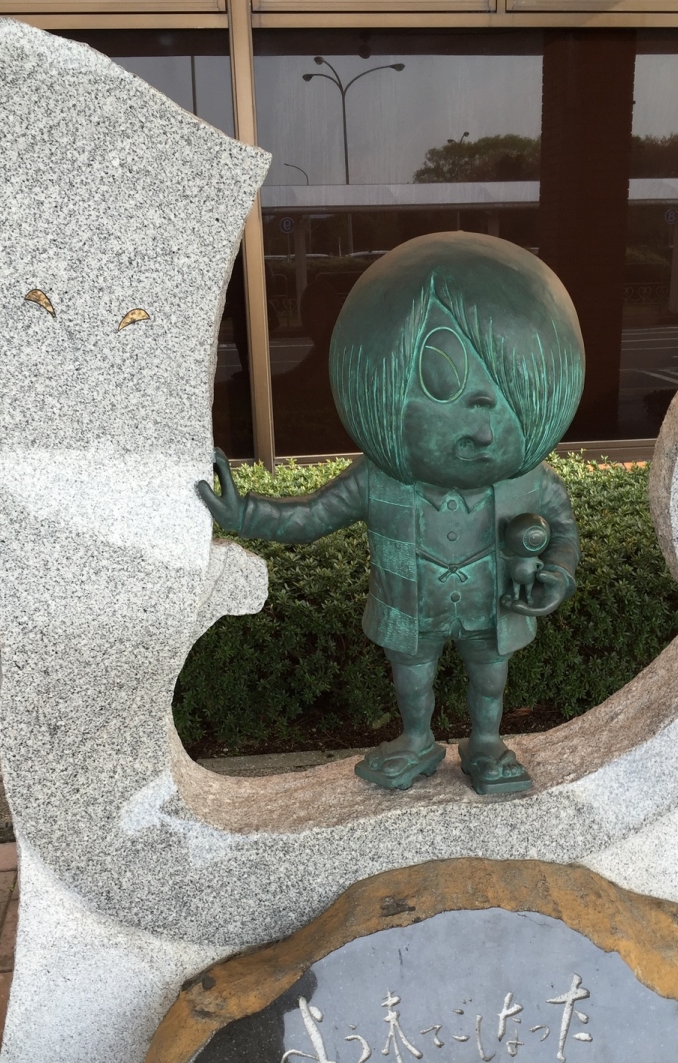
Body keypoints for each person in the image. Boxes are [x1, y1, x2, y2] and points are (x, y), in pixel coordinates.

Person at [198, 232, 583, 795]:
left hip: (493, 606)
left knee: (490, 677)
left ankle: (486, 744)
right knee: (412, 678)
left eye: (503, 400)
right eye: (445, 384)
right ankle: (416, 740)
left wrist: (557, 574)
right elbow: (311, 516)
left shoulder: (531, 483)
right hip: (412, 608)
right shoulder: (379, 482)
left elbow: (564, 533)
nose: (482, 431)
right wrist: (244, 514)